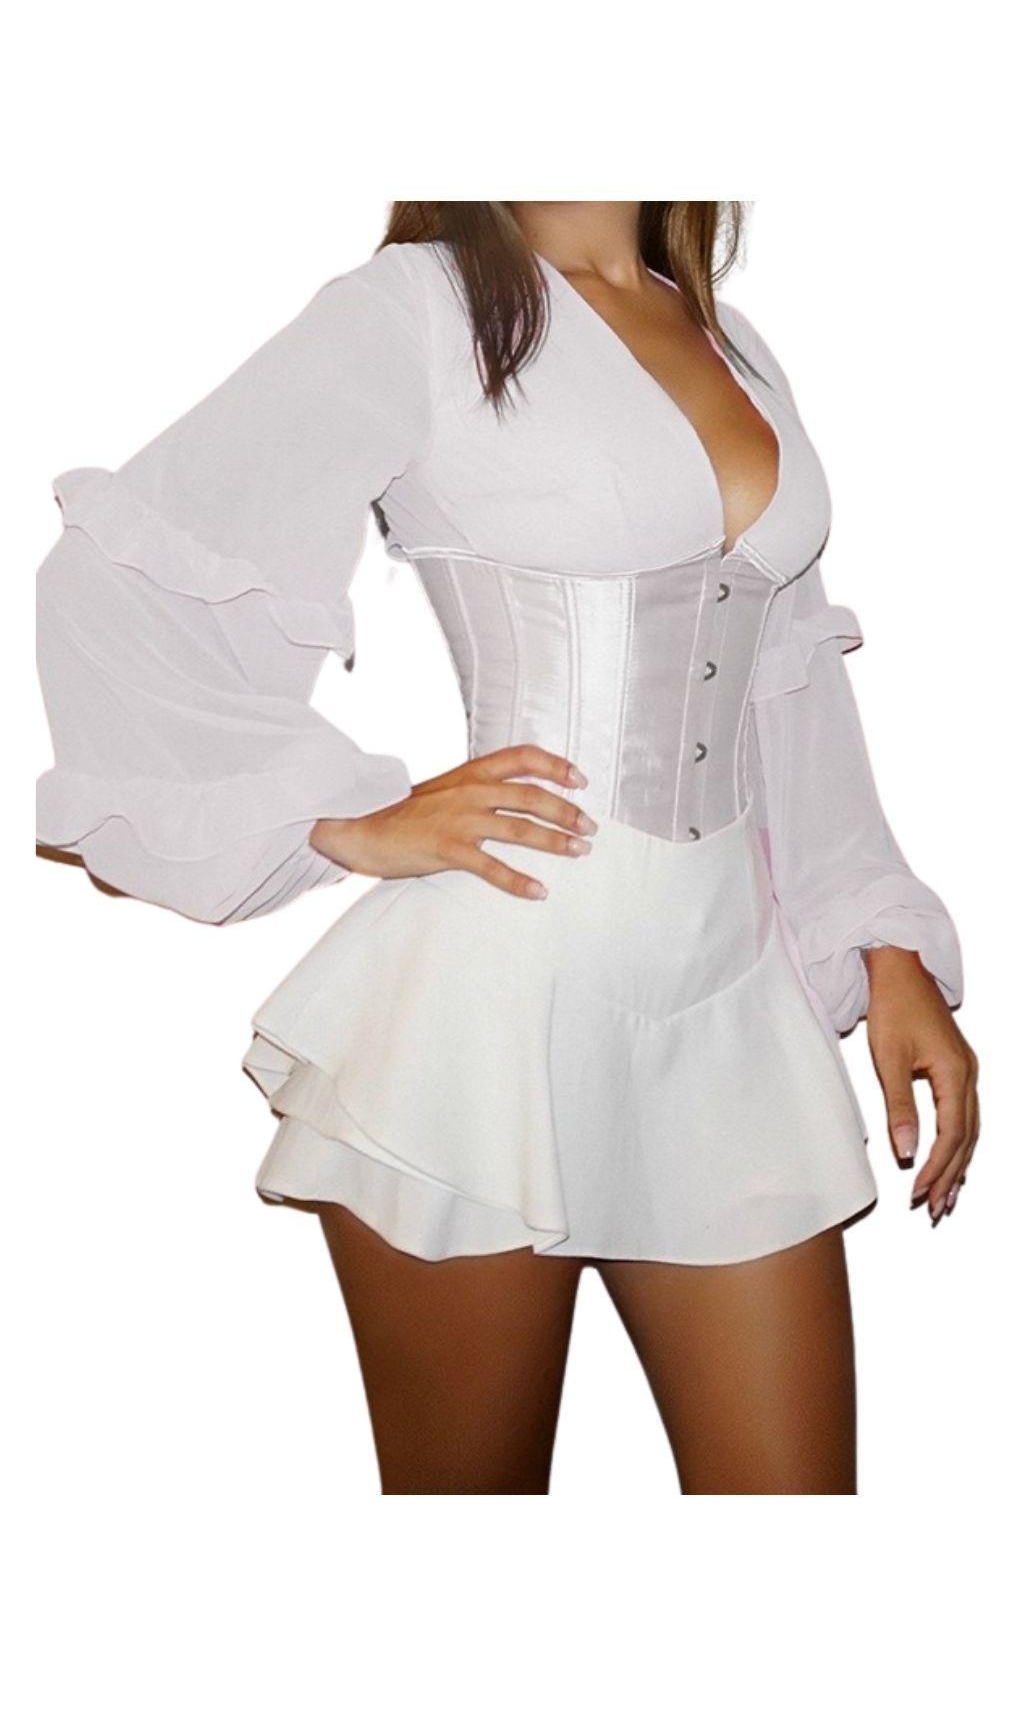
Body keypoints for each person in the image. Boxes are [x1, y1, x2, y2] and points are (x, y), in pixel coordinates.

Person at [35, 201, 979, 1494]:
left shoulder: (732, 338)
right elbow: (125, 573)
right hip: (485, 1024)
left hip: (727, 1021)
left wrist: (884, 947)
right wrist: (346, 821)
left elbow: (788, 677)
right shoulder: (422, 308)